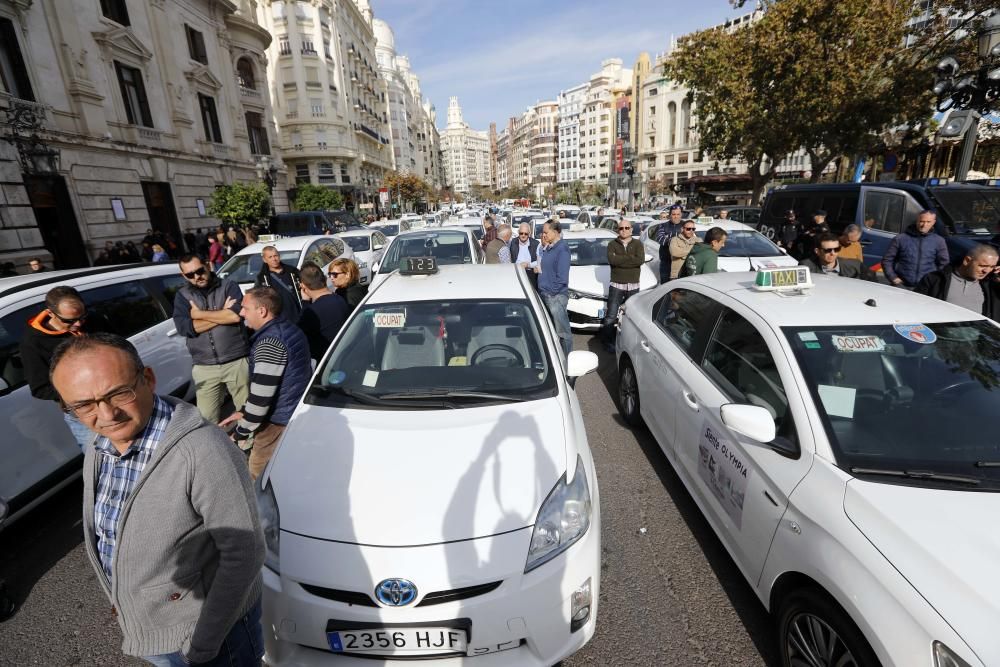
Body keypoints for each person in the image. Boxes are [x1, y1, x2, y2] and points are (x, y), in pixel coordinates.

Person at [48, 333, 264, 667]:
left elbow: (244, 554)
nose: (106, 415)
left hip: (209, 637)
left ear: (147, 378)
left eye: (119, 393)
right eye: (84, 405)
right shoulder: (97, 446)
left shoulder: (204, 450)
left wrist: (204, 644)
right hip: (150, 631)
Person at [219, 287, 311, 479]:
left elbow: (261, 400)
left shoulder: (269, 343)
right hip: (292, 413)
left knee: (258, 477)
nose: (241, 313)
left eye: (245, 308)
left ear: (262, 311)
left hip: (276, 424)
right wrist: (243, 410)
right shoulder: (287, 328)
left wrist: (239, 433)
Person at [173, 254, 250, 425]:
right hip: (204, 366)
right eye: (190, 275)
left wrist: (199, 315)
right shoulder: (183, 296)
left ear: (208, 265)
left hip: (236, 360)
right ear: (183, 276)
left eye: (199, 271)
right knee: (206, 421)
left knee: (247, 413)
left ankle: (249, 447)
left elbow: (236, 316)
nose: (196, 276)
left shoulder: (228, 286)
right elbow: (185, 328)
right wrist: (222, 314)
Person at [19, 286, 96, 449]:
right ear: (50, 313)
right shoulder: (33, 342)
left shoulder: (92, 321)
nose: (79, 323)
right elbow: (40, 388)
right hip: (82, 411)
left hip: (116, 397)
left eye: (83, 316)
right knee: (99, 460)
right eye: (69, 321)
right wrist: (81, 394)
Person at [915, 244, 1000, 317]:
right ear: (967, 261)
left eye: (992, 267)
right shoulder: (935, 279)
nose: (987, 271)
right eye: (983, 266)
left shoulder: (991, 286)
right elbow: (915, 308)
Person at [602, 219, 645, 350]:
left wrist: (621, 260)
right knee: (611, 316)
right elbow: (612, 260)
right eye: (621, 228)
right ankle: (608, 342)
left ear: (632, 229)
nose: (624, 230)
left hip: (633, 286)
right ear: (618, 230)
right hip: (616, 285)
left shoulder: (638, 244)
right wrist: (631, 259)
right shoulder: (611, 244)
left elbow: (640, 260)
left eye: (627, 228)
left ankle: (629, 343)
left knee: (632, 317)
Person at [882, 210, 949, 288]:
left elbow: (944, 264)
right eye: (922, 221)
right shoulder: (900, 239)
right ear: (917, 221)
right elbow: (887, 260)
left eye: (928, 222)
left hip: (926, 288)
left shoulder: (939, 241)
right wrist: (893, 277)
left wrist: (934, 282)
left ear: (933, 222)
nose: (924, 225)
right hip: (902, 285)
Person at [297, 263, 350, 363]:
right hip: (344, 357)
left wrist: (305, 302)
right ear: (325, 279)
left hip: (326, 364)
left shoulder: (311, 312)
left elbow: (300, 335)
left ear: (303, 286)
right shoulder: (340, 299)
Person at [536, 220, 572, 358]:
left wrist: (551, 294)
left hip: (555, 297)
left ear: (555, 232)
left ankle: (566, 363)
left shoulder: (562, 249)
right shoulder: (549, 248)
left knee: (563, 333)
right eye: (543, 232)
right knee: (551, 332)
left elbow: (562, 278)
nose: (543, 235)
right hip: (546, 295)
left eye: (546, 232)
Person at [255, 245, 303, 321]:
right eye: (270, 257)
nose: (274, 259)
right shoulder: (262, 278)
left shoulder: (292, 271)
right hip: (279, 318)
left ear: (279, 256)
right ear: (264, 259)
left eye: (275, 256)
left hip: (299, 314)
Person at [800, 233, 875, 280]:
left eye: (836, 249)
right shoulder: (805, 267)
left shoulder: (855, 266)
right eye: (828, 250)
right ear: (817, 251)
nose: (833, 253)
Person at [655, 205, 685, 283]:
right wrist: (676, 241)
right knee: (665, 287)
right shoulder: (663, 226)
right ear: (670, 215)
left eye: (678, 214)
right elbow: (660, 239)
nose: (676, 216)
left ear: (681, 215)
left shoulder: (686, 226)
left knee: (679, 289)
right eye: (674, 214)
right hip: (666, 262)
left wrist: (669, 238)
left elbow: (691, 239)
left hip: (682, 263)